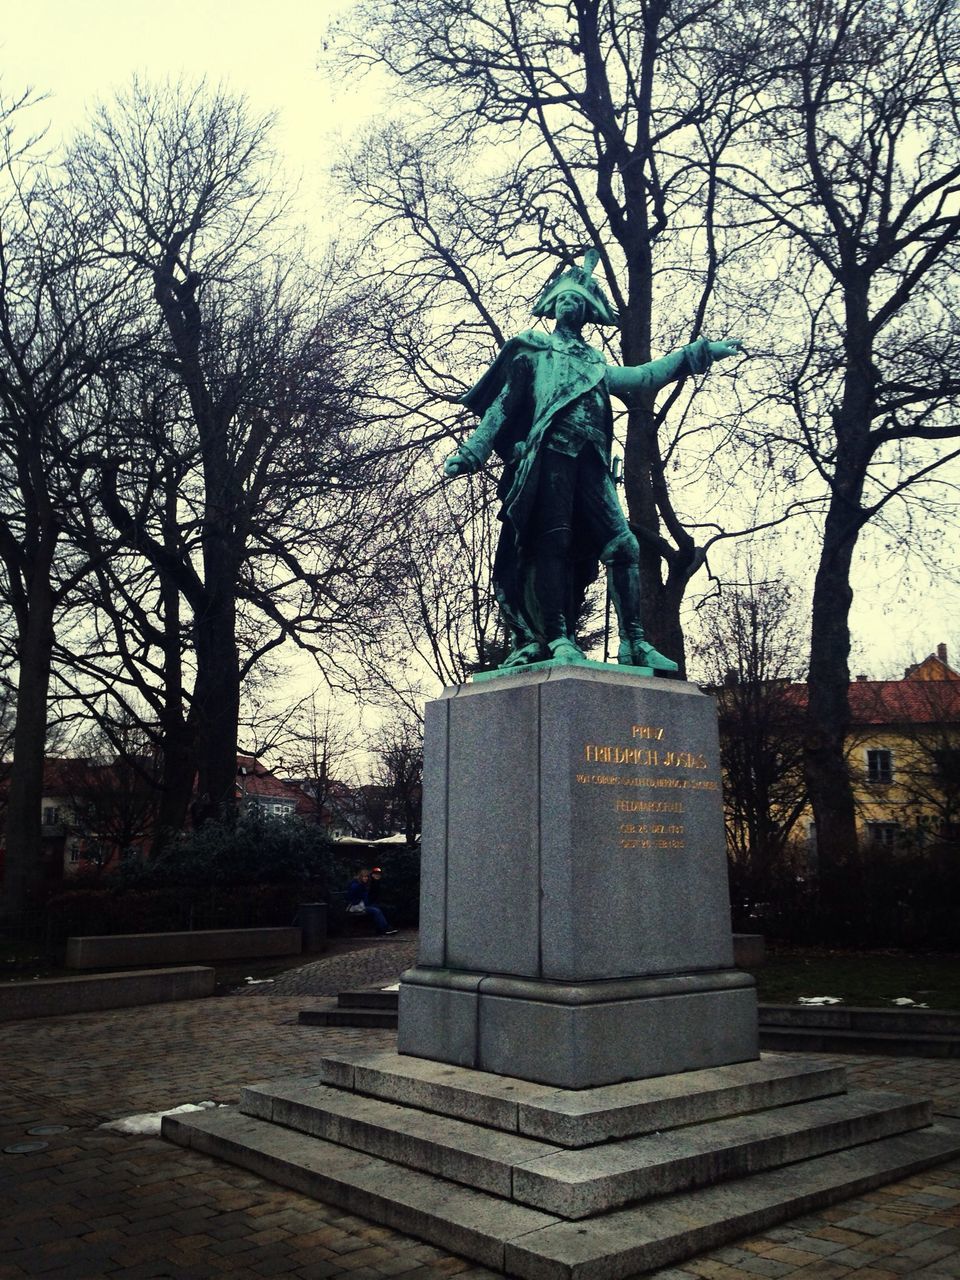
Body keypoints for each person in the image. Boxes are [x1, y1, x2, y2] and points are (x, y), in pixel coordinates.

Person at [444, 250, 744, 671]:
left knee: (623, 544)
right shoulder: (534, 352)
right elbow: (502, 407)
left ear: (587, 313)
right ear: (552, 307)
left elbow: (645, 377)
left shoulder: (595, 364)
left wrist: (699, 353)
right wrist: (472, 452)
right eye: (564, 300)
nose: (571, 305)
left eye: (578, 302)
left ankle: (634, 643)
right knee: (553, 542)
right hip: (549, 458)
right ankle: (558, 637)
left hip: (591, 462)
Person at [345, 868, 396, 935]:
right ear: (361, 877)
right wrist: (359, 900)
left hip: (363, 904)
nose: (366, 878)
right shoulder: (356, 885)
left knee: (382, 908)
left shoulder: (364, 885)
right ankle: (385, 929)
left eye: (367, 877)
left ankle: (384, 928)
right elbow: (351, 897)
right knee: (376, 910)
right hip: (356, 906)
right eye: (364, 877)